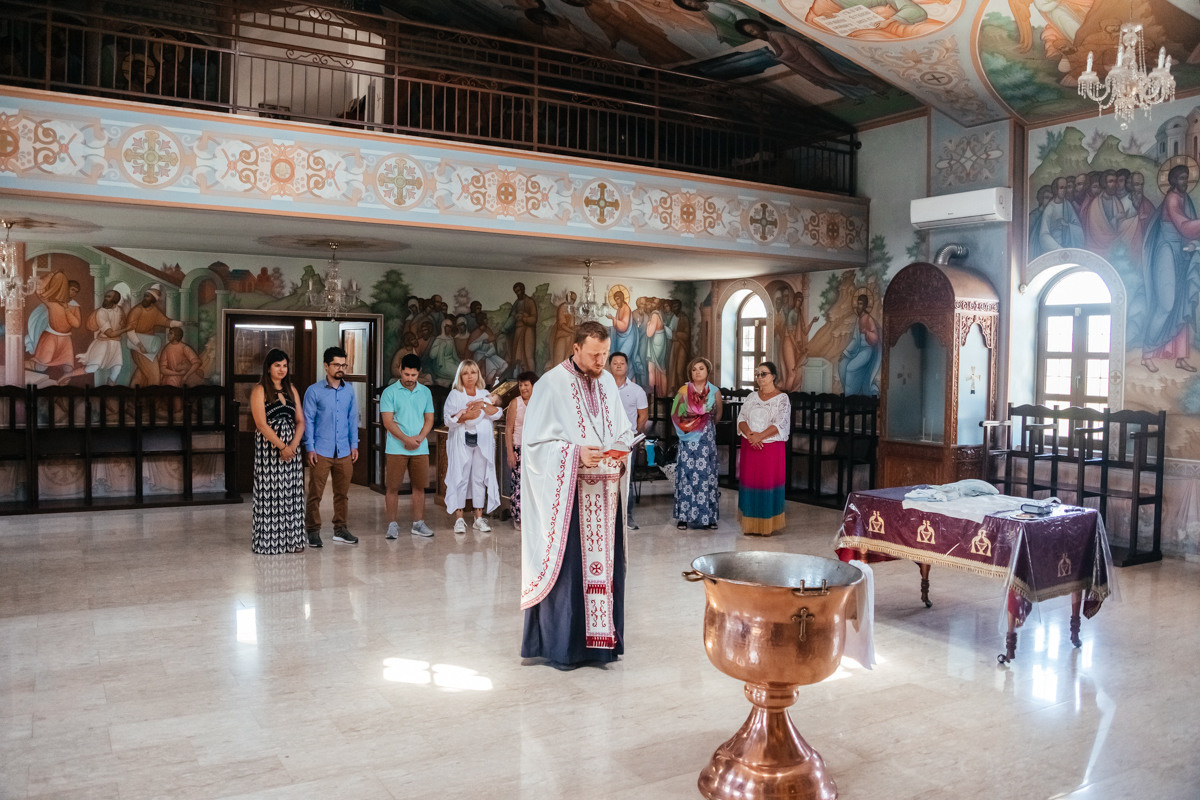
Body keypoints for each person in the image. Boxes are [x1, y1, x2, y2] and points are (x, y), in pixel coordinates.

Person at [520, 320, 635, 669]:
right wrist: (574, 454)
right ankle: (562, 648)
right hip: (568, 497)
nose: (601, 362)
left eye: (605, 354)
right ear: (576, 349)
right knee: (570, 574)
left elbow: (621, 428)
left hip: (604, 496)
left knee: (604, 571)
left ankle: (600, 648)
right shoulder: (551, 385)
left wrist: (621, 449)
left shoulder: (606, 384)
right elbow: (534, 444)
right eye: (594, 355)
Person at [249, 348, 306, 554]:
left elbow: (300, 421)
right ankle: (270, 542)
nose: (282, 369)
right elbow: (261, 424)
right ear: (268, 368)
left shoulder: (292, 389)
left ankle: (293, 540)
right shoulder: (259, 390)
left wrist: (292, 446)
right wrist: (281, 446)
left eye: (284, 365)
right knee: (270, 494)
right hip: (269, 449)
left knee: (292, 493)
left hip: (292, 447)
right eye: (277, 365)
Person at [303, 346, 359, 547]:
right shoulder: (313, 391)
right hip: (321, 451)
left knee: (342, 494)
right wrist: (310, 447)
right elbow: (307, 420)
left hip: (344, 449)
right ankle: (312, 531)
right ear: (326, 366)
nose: (340, 368)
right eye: (336, 364)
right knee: (315, 493)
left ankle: (340, 529)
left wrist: (354, 445)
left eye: (343, 364)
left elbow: (352, 419)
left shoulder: (350, 390)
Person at [380, 353, 435, 539]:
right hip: (396, 447)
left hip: (420, 447)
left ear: (418, 373)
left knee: (419, 487)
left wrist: (419, 438)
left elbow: (429, 419)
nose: (410, 379)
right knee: (393, 487)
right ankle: (392, 525)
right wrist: (405, 439)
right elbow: (388, 421)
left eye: (413, 375)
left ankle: (418, 524)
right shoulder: (389, 392)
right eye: (406, 375)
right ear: (400, 371)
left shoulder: (425, 392)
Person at [444, 359, 501, 533]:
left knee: (479, 477)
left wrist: (482, 405)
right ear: (460, 376)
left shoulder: (484, 393)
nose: (470, 377)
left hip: (482, 442)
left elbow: (497, 413)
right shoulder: (455, 394)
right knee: (461, 476)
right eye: (466, 373)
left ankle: (478, 517)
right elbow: (448, 419)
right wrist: (467, 416)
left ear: (478, 374)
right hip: (462, 442)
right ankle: (459, 518)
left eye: (473, 372)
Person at [737, 362, 791, 536]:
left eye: (764, 374)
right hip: (750, 446)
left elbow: (781, 423)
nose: (760, 378)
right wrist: (751, 435)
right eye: (757, 374)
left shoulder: (782, 398)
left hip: (770, 449)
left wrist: (760, 436)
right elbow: (741, 418)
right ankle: (750, 525)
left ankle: (767, 526)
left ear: (773, 376)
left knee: (767, 484)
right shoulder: (751, 397)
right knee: (750, 483)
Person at [670, 356, 723, 530]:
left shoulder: (714, 391)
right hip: (687, 438)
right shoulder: (683, 390)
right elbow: (676, 415)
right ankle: (684, 517)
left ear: (708, 371)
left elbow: (718, 415)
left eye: (701, 368)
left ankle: (709, 517)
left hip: (706, 439)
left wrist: (703, 426)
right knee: (686, 475)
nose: (697, 372)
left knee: (706, 475)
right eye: (694, 369)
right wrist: (691, 426)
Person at [607, 351, 647, 530]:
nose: (618, 365)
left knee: (626, 479)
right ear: (609, 366)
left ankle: (627, 516)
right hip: (606, 441)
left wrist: (633, 435)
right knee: (606, 478)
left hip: (626, 442)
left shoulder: (636, 390)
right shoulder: (603, 388)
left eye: (621, 363)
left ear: (627, 366)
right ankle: (607, 517)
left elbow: (643, 415)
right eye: (614, 363)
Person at [505, 371, 537, 528]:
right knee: (518, 484)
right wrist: (510, 453)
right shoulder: (515, 403)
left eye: (526, 385)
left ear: (533, 386)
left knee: (534, 484)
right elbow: (509, 429)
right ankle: (518, 518)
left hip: (535, 449)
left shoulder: (539, 402)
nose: (523, 388)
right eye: (520, 385)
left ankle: (533, 518)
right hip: (518, 448)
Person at [839, 294, 881, 396]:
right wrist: (845, 353)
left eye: (861, 304)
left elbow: (875, 338)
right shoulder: (859, 319)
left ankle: (851, 397)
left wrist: (867, 332)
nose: (858, 306)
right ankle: (850, 395)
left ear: (865, 305)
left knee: (850, 368)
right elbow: (855, 339)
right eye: (858, 303)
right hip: (858, 349)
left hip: (867, 351)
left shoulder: (868, 319)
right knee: (843, 365)